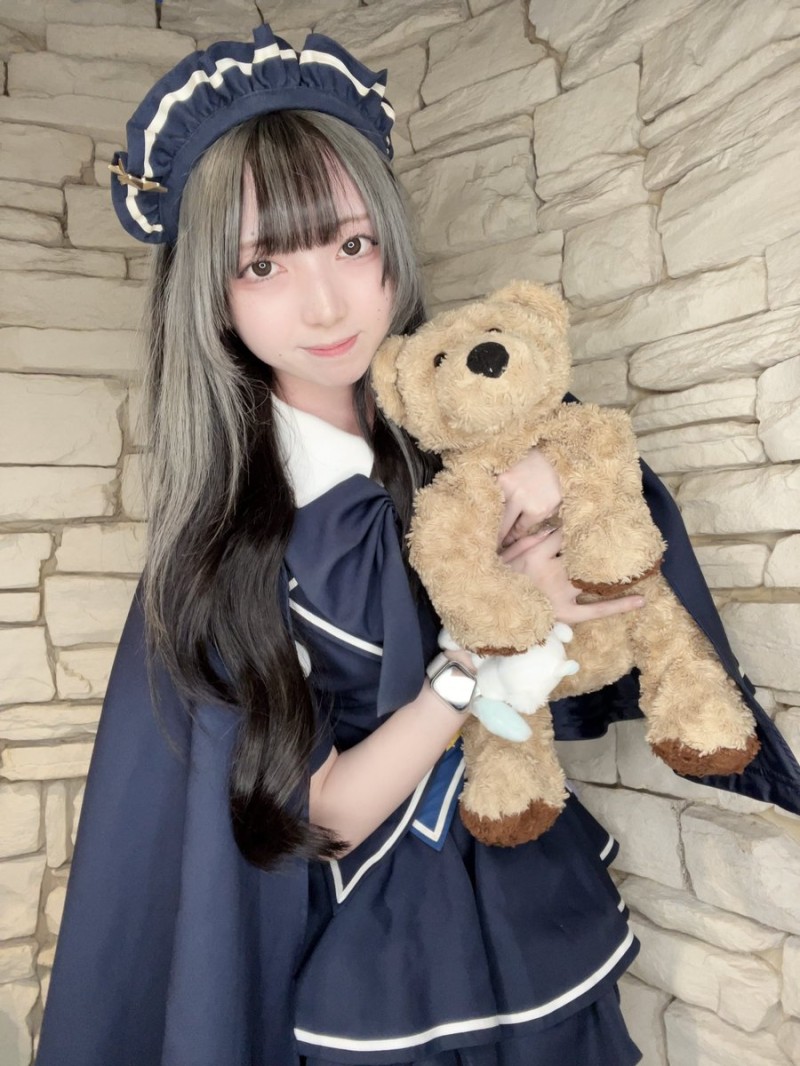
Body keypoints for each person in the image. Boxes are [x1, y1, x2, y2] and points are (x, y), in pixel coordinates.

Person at [36, 24, 800, 1066]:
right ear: (209, 292)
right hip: (384, 953)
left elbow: (615, 579)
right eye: (263, 263)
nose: (324, 304)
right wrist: (475, 659)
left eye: (351, 245)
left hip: (531, 888)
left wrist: (568, 481)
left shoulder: (464, 435)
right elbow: (323, 816)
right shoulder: (229, 553)